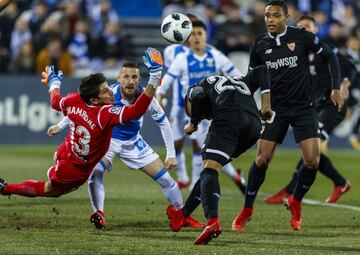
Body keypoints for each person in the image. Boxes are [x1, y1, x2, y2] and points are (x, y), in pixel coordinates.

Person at [231, 0, 344, 232]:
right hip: (276, 110)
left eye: (275, 16)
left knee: (313, 161)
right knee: (262, 159)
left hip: (303, 108)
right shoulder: (259, 44)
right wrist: (242, 101)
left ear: (286, 17)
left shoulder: (301, 37)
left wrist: (335, 88)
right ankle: (247, 210)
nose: (270, 20)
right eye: (267, 16)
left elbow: (331, 56)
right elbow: (253, 78)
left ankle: (295, 201)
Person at [48, 61, 202, 230]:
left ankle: (181, 214)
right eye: (126, 76)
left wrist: (171, 154)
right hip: (109, 141)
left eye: (135, 77)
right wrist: (60, 125)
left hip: (133, 141)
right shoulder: (108, 93)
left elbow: (163, 122)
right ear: (118, 78)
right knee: (96, 172)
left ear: (139, 79)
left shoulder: (145, 97)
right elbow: (83, 109)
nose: (130, 81)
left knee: (166, 179)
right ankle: (98, 213)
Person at [0, 48, 163, 200]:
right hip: (75, 170)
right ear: (94, 100)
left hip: (66, 151)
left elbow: (56, 102)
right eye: (105, 91)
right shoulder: (104, 114)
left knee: (54, 177)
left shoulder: (74, 99)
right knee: (50, 190)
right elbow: (136, 110)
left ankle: (53, 169)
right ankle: (6, 188)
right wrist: (154, 79)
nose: (111, 92)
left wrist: (54, 83)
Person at [166, 65, 272, 245]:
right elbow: (262, 71)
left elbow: (198, 97)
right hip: (253, 126)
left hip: (228, 118)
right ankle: (183, 215)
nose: (204, 117)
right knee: (211, 169)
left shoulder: (198, 85)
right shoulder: (239, 80)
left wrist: (193, 122)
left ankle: (212, 221)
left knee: (209, 170)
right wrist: (266, 103)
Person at [265, 15, 355, 205]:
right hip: (313, 108)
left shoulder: (326, 49)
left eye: (307, 26)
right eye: (300, 27)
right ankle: (339, 183)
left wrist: (344, 84)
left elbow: (351, 68)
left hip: (332, 106)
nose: (303, 30)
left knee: (316, 150)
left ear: (316, 28)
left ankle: (292, 191)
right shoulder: (297, 53)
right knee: (311, 153)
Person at [157, 19, 246, 193]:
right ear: (188, 38)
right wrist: (160, 96)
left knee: (206, 149)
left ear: (206, 35)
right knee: (205, 149)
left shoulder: (216, 56)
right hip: (189, 111)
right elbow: (167, 81)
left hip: (214, 112)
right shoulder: (182, 59)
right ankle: (226, 177)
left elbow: (237, 76)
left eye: (200, 33)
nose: (196, 37)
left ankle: (196, 185)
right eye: (193, 34)